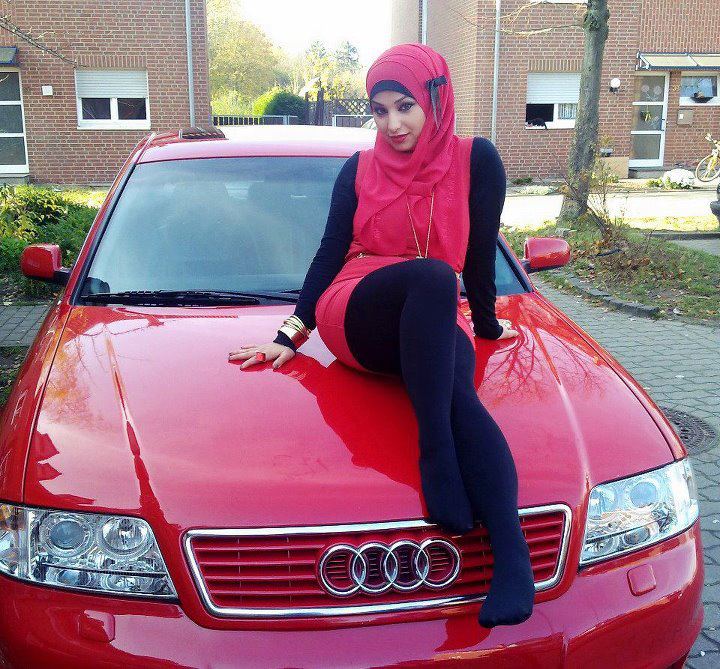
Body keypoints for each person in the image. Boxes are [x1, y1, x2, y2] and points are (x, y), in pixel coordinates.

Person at [228, 43, 535, 629]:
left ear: (436, 100)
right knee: (432, 277)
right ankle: (436, 455)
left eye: (405, 106)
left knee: (459, 385)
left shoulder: (476, 161)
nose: (392, 124)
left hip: (431, 318)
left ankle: (512, 559)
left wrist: (488, 327)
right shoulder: (359, 168)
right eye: (380, 110)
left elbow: (478, 255)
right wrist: (290, 334)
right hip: (357, 310)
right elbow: (329, 253)